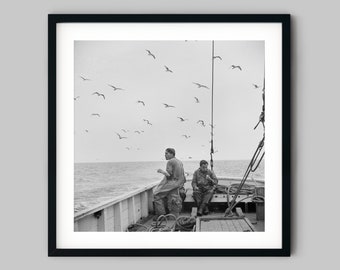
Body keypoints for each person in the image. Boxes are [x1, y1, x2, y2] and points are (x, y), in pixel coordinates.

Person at [153, 148, 186, 218]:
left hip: (172, 183)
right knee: (173, 197)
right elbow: (183, 175)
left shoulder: (170, 162)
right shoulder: (179, 162)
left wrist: (161, 171)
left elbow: (169, 175)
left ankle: (161, 215)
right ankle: (173, 215)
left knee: (156, 195)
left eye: (166, 153)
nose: (165, 155)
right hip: (178, 184)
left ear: (172, 154)